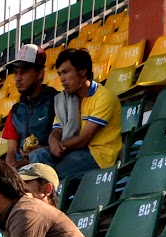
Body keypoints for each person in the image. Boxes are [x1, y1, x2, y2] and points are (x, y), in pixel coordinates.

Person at [31, 48, 122, 186]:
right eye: (60, 74)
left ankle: (43, 199)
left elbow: (84, 139)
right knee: (37, 156)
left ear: (83, 71)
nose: (62, 79)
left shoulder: (104, 98)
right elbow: (57, 129)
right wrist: (53, 141)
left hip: (97, 155)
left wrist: (59, 146)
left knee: (51, 173)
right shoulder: (66, 99)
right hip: (71, 150)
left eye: (66, 72)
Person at [0, 45, 58, 169]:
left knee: (38, 154)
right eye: (16, 73)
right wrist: (11, 163)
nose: (18, 78)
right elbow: (11, 150)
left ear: (40, 73)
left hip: (48, 159)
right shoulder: (15, 111)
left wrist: (27, 160)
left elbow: (61, 142)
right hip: (22, 163)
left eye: (24, 72)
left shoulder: (56, 101)